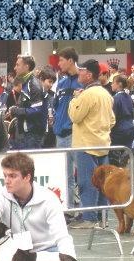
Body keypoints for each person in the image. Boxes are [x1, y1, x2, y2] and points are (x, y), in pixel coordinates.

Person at [68, 59, 116, 228]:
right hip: (103, 144)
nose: (78, 73)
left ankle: (89, 218)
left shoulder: (86, 95)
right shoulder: (105, 94)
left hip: (86, 145)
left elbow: (75, 116)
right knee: (102, 183)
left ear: (88, 74)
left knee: (87, 183)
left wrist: (75, 99)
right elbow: (112, 120)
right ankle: (103, 218)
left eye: (81, 70)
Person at [52, 47, 82, 211]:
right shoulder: (61, 83)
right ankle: (69, 209)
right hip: (60, 135)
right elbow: (56, 105)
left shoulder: (82, 81)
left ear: (70, 60)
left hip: (75, 134)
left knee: (82, 174)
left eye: (61, 60)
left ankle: (85, 211)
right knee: (65, 175)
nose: (59, 63)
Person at [7, 55, 46, 149]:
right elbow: (27, 106)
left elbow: (37, 110)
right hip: (25, 133)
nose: (15, 68)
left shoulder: (34, 84)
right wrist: (15, 108)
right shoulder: (26, 83)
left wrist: (16, 111)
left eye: (17, 65)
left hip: (32, 134)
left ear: (26, 66)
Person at [109, 74, 134, 167]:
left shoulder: (116, 99)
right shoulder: (129, 97)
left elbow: (112, 118)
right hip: (130, 129)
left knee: (115, 161)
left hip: (118, 132)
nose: (111, 84)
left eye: (113, 82)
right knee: (125, 160)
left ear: (119, 84)